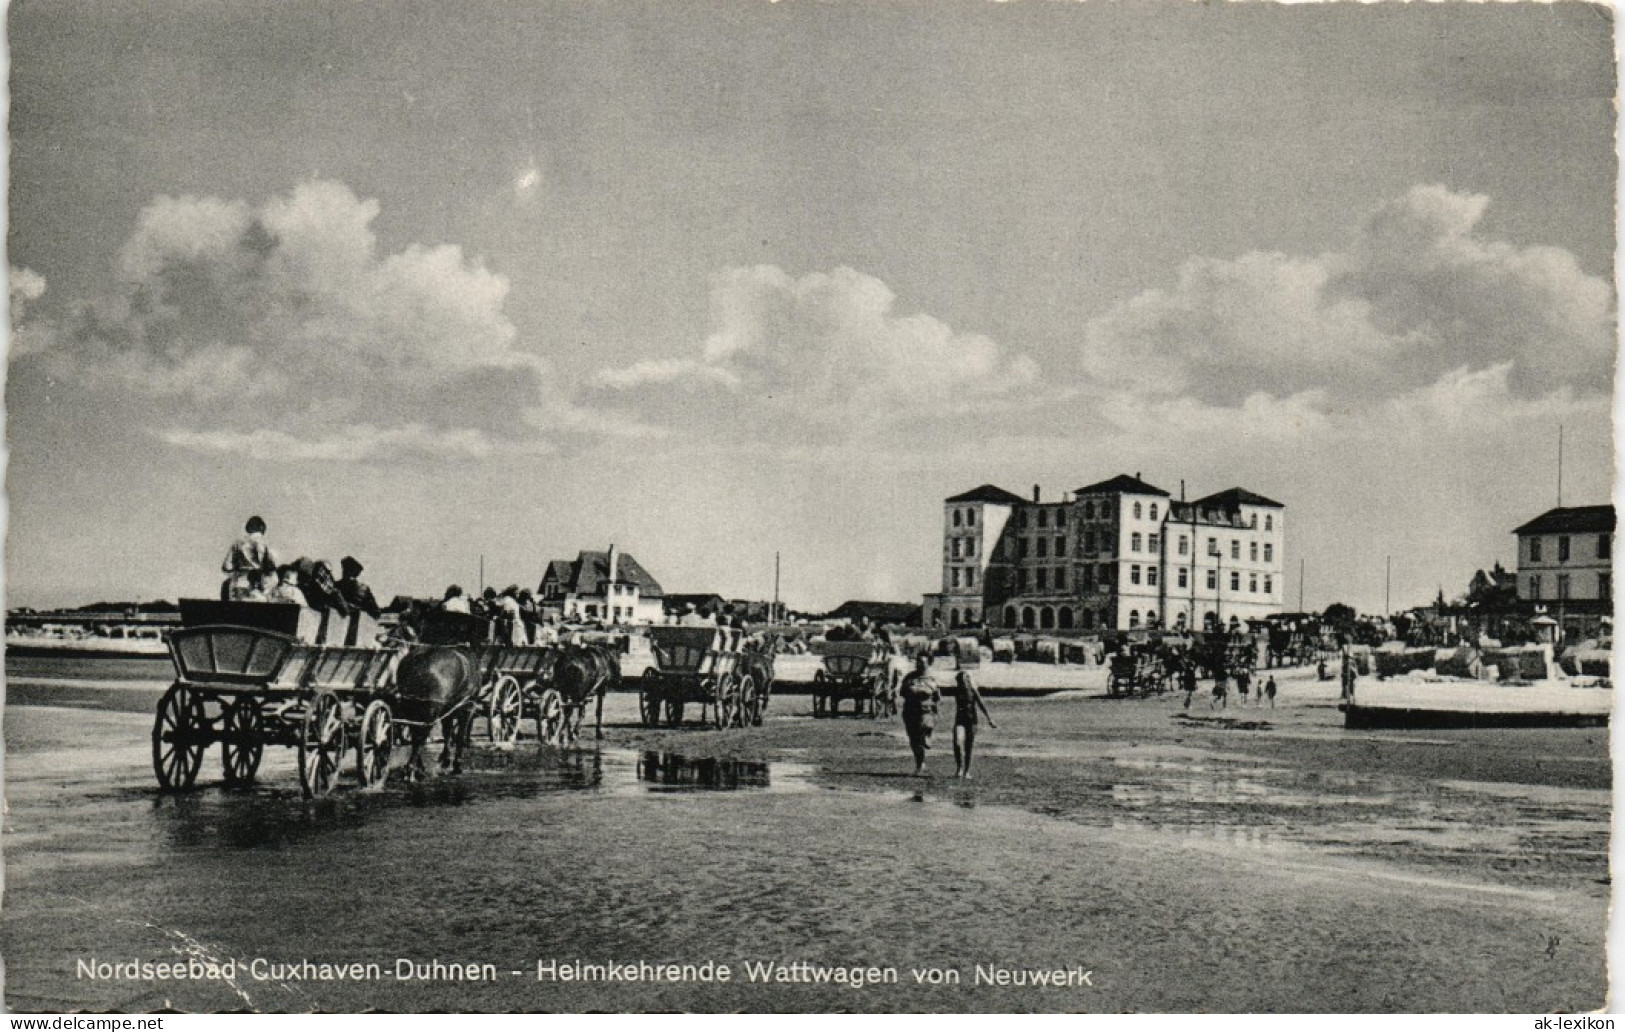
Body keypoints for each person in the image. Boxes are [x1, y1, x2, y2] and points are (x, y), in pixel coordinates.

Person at [949, 662, 995, 779]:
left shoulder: (973, 691)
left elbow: (981, 704)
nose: (964, 681)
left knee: (969, 746)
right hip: (959, 720)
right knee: (958, 743)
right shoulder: (957, 690)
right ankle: (959, 768)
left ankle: (967, 771)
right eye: (962, 679)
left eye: (966, 678)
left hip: (971, 720)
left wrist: (989, 719)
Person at [898, 653, 940, 776]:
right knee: (914, 739)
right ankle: (920, 763)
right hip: (910, 710)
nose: (920, 664)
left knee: (924, 728)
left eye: (922, 662)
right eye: (918, 662)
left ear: (928, 663)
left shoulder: (932, 678)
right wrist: (914, 691)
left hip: (926, 710)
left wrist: (925, 693)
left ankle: (928, 735)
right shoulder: (910, 677)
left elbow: (936, 696)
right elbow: (902, 692)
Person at [221, 516, 278, 601]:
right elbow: (271, 567)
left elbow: (226, 566)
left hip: (239, 583)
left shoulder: (237, 543)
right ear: (262, 528)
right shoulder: (265, 544)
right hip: (258, 585)